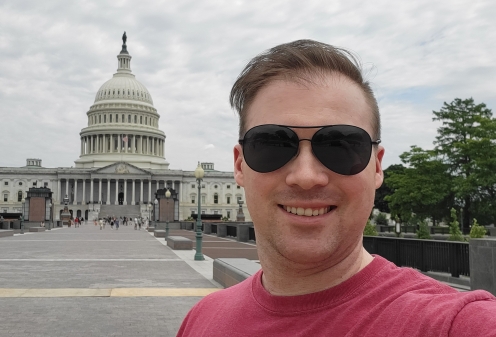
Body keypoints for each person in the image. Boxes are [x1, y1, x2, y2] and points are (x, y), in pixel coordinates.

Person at [177, 40, 496, 336]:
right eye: (273, 144)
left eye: (340, 145)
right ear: (239, 165)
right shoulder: (201, 320)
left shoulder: (455, 323)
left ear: (376, 166)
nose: (305, 176)